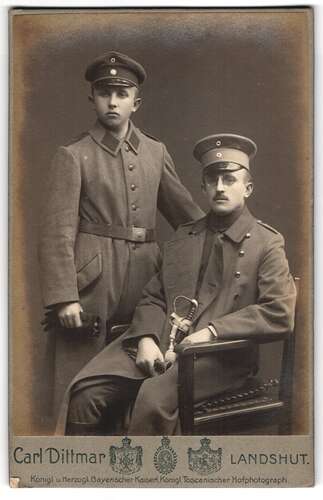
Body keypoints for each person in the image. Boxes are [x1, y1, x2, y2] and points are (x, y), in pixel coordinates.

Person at [55, 133, 297, 436]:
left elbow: (278, 312)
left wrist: (211, 332)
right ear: (203, 186)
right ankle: (83, 478)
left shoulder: (267, 242)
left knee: (152, 399)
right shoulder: (185, 236)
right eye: (213, 179)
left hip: (219, 357)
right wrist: (145, 338)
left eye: (230, 180)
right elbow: (154, 296)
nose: (220, 187)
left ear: (247, 188)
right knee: (86, 393)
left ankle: (143, 480)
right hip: (159, 345)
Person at [38, 51, 203, 414]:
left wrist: (231, 238)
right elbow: (56, 233)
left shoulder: (155, 152)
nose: (113, 101)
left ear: (136, 102)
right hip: (94, 282)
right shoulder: (73, 154)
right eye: (104, 92)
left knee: (141, 374)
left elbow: (188, 218)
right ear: (92, 98)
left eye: (122, 93)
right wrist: (64, 296)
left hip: (147, 277)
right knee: (82, 378)